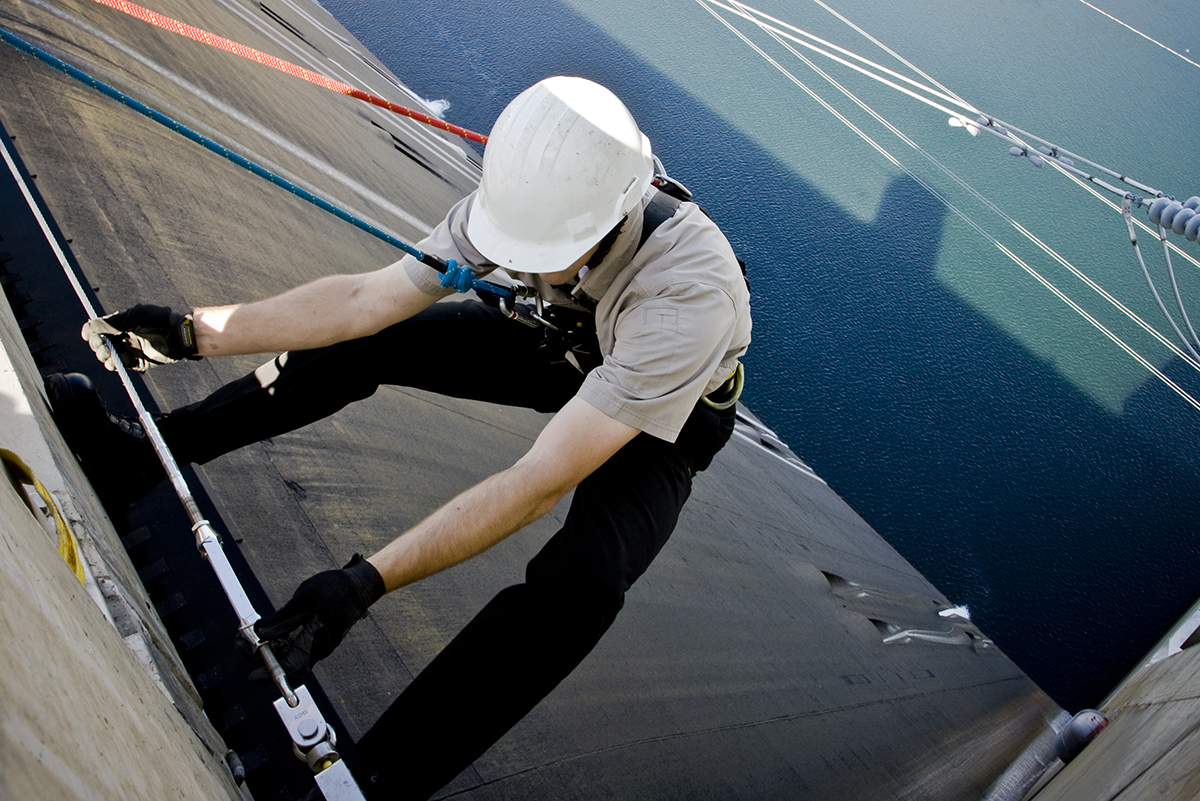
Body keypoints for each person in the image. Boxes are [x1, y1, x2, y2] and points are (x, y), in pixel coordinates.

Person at [47, 76, 751, 799]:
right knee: (367, 343)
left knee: (584, 586)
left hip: (671, 409)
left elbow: (539, 481)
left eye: (534, 249)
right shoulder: (539, 202)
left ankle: (379, 783)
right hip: (572, 344)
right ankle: (140, 456)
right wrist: (191, 333)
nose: (514, 256)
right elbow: (365, 302)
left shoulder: (686, 295)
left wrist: (362, 584)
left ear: (600, 228)